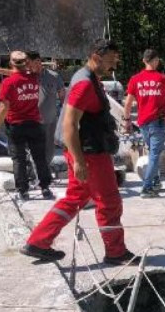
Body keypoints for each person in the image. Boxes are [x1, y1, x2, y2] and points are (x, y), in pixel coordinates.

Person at [21, 39, 139, 264]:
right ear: (97, 55)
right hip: (89, 153)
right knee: (109, 201)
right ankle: (116, 252)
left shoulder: (88, 78)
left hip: (87, 150)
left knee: (76, 197)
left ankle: (38, 242)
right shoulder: (84, 83)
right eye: (111, 59)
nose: (114, 63)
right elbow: (69, 124)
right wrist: (78, 161)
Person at [122, 49, 165, 198]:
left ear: (144, 61)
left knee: (152, 151)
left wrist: (127, 120)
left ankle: (156, 181)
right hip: (158, 122)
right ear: (154, 61)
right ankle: (146, 188)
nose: (158, 62)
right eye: (157, 60)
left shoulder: (135, 79)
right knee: (154, 154)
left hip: (143, 122)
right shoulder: (161, 78)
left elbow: (128, 104)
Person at [0, 51, 53, 200]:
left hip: (16, 125)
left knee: (19, 159)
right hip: (35, 124)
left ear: (11, 63)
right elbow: (14, 86)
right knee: (40, 157)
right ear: (26, 64)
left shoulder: (9, 82)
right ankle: (45, 188)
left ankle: (23, 190)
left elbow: (5, 105)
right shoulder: (34, 77)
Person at [27, 51, 65, 165]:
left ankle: (45, 169)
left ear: (39, 61)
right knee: (33, 147)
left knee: (49, 148)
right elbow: (11, 74)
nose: (29, 66)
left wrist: (65, 115)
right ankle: (36, 171)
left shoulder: (54, 76)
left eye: (31, 63)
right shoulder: (26, 76)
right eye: (29, 64)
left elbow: (62, 95)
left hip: (50, 120)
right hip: (32, 121)